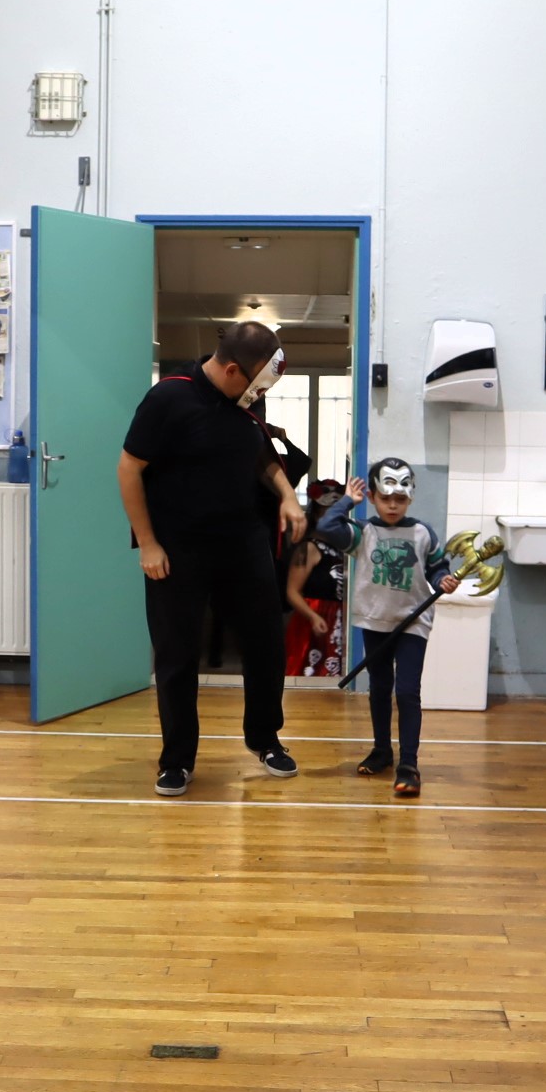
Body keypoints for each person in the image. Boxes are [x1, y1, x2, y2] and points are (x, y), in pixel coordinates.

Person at [118, 321, 306, 797]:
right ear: (231, 370)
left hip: (243, 541)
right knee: (177, 654)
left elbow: (261, 453)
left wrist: (287, 494)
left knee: (266, 644)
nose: (259, 396)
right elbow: (129, 469)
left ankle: (265, 739)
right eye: (257, 385)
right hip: (178, 547)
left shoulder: (248, 398)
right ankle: (177, 760)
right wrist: (148, 543)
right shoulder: (169, 398)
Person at [316, 460, 458, 798]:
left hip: (412, 623)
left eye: (400, 499)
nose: (393, 505)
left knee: (407, 691)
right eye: (385, 498)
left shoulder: (423, 533)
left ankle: (409, 764)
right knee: (380, 688)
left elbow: (437, 567)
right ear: (373, 497)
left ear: (410, 497)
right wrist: (347, 501)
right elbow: (325, 527)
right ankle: (382, 750)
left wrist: (443, 580)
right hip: (375, 620)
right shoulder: (362, 532)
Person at [284, 479, 348, 678]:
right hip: (315, 619)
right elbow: (292, 592)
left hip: (341, 621)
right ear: (317, 514)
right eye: (326, 513)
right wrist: (313, 616)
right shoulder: (309, 548)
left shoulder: (347, 547)